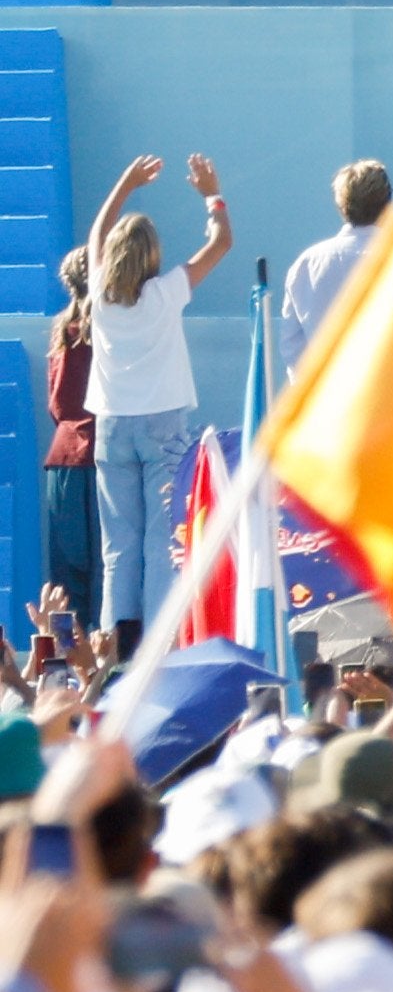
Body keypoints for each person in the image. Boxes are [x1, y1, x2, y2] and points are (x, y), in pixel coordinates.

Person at [87, 150, 229, 649]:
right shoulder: (167, 293)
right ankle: (159, 643)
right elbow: (220, 243)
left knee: (118, 546)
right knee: (160, 540)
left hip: (111, 426)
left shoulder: (99, 293)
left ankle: (115, 640)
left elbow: (98, 232)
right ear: (151, 254)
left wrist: (125, 183)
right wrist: (212, 193)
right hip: (163, 425)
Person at [279, 159, 391, 374]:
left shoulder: (307, 263)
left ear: (341, 205)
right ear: (387, 202)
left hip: (329, 397)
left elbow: (292, 345)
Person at [41, 246, 97, 624]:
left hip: (62, 458)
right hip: (101, 455)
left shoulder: (61, 335)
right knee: (108, 569)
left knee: (66, 578)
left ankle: (65, 663)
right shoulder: (109, 332)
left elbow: (56, 406)